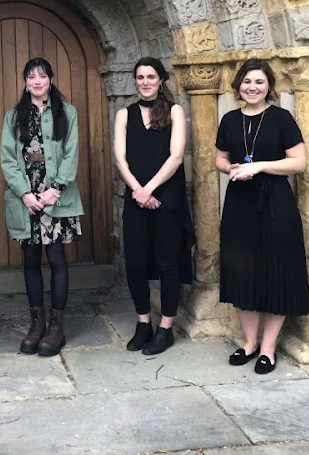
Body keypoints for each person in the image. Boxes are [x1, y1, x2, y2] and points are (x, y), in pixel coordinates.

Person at [216, 58, 309, 374]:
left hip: (275, 205)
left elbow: (298, 162)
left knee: (276, 273)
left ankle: (268, 349)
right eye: (247, 81)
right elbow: (219, 159)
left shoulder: (281, 118)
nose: (252, 87)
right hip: (239, 205)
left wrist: (258, 166)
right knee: (242, 273)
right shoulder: (229, 120)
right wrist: (232, 168)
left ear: (268, 85)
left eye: (259, 82)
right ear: (238, 85)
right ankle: (249, 343)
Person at [0, 57, 83, 357]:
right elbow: (8, 158)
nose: (37, 81)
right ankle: (37, 325)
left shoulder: (67, 112)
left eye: (42, 76)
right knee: (31, 258)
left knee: (57, 256)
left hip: (55, 195)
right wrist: (24, 193)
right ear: (25, 81)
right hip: (26, 197)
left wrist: (55, 189)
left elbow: (72, 152)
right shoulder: (13, 116)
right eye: (31, 76)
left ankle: (56, 327)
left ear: (50, 79)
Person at [114, 57, 194, 355]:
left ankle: (166, 328)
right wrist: (138, 190)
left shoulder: (174, 111)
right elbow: (120, 158)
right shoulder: (125, 114)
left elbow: (176, 157)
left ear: (161, 80)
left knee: (167, 264)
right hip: (137, 199)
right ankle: (144, 323)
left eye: (150, 77)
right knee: (134, 264)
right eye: (140, 77)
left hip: (166, 200)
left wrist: (149, 189)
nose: (145, 82)